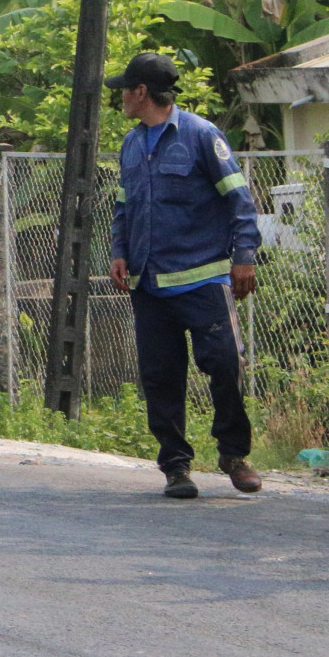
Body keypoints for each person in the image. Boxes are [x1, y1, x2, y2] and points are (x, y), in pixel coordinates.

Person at [107, 52, 263, 499]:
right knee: (160, 375)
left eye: (125, 89)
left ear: (141, 92)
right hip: (148, 283)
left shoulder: (200, 135)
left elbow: (239, 200)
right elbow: (123, 207)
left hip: (202, 281)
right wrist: (119, 252)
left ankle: (234, 454)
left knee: (224, 364)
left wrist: (244, 255)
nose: (121, 96)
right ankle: (176, 466)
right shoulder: (132, 144)